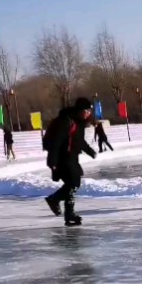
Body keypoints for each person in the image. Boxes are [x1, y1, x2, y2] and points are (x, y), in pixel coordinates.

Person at [43, 97, 97, 226]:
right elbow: (56, 142)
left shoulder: (79, 123)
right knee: (73, 183)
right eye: (86, 111)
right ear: (79, 110)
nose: (88, 113)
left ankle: (68, 214)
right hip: (63, 158)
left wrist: (89, 151)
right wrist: (53, 161)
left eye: (89, 111)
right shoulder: (66, 121)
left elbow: (79, 140)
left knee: (74, 184)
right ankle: (55, 200)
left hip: (72, 157)